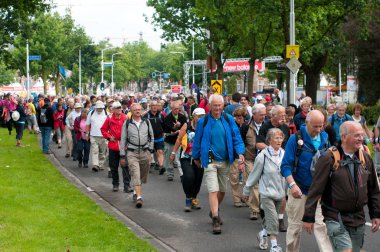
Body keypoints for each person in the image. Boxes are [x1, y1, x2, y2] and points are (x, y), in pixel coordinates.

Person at [303, 121, 380, 252]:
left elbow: (373, 189)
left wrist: (376, 214)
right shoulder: (328, 158)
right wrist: (309, 217)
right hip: (335, 216)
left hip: (358, 217)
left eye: (362, 135)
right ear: (344, 137)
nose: (361, 138)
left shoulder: (365, 158)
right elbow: (315, 189)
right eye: (356, 135)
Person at [192, 94, 245, 234]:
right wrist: (196, 156)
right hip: (209, 158)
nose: (217, 108)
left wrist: (240, 153)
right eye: (214, 105)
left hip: (225, 159)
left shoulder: (228, 120)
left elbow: (236, 137)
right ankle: (215, 218)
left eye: (219, 105)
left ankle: (213, 209)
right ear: (209, 106)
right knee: (213, 189)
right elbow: (197, 140)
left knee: (222, 190)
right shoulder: (203, 122)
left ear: (223, 106)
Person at [281, 110, 333, 252]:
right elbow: (285, 166)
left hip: (317, 192)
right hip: (299, 190)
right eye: (315, 126)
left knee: (321, 227)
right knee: (295, 228)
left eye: (321, 126)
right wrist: (292, 185)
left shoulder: (325, 138)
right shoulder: (295, 139)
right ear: (307, 123)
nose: (318, 130)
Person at [243, 128, 286, 252]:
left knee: (270, 220)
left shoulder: (284, 154)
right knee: (273, 219)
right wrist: (246, 191)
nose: (279, 140)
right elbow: (254, 175)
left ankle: (263, 233)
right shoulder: (263, 156)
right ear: (269, 140)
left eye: (280, 138)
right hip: (266, 194)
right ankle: (274, 246)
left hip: (280, 193)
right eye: (276, 138)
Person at [170, 108, 205, 212]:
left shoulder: (207, 127)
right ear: (193, 116)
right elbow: (179, 139)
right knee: (189, 176)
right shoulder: (187, 126)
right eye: (198, 116)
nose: (200, 118)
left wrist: (210, 160)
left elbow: (211, 144)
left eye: (203, 116)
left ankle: (194, 197)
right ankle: (188, 198)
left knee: (198, 179)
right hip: (187, 157)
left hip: (200, 158)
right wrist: (173, 153)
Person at [120, 103, 154, 208]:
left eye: (139, 109)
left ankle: (136, 190)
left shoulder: (146, 122)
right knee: (135, 173)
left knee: (142, 174)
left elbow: (151, 136)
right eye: (135, 110)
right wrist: (122, 155)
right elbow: (123, 140)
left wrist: (150, 149)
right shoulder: (127, 123)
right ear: (131, 111)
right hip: (132, 152)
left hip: (144, 152)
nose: (138, 111)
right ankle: (139, 197)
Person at [242, 103, 266, 220]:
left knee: (264, 184)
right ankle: (254, 209)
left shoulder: (267, 126)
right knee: (254, 183)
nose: (263, 117)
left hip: (265, 160)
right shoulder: (246, 126)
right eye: (261, 115)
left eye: (265, 115)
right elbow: (241, 142)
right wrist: (240, 157)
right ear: (254, 114)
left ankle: (263, 206)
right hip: (250, 159)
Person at [101, 101, 131, 192]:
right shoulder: (109, 119)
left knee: (125, 166)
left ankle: (127, 186)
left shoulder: (126, 117)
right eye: (117, 108)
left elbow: (131, 129)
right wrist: (109, 137)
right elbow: (103, 129)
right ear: (112, 109)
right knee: (113, 167)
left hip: (124, 145)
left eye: (120, 107)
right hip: (113, 145)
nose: (119, 109)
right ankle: (115, 184)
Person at [228, 107, 249, 208]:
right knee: (234, 177)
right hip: (234, 154)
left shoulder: (247, 126)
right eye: (237, 117)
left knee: (247, 178)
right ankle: (236, 198)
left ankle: (245, 197)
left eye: (241, 117)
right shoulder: (232, 126)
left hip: (247, 155)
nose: (239, 119)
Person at [163, 100, 187, 181]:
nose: (177, 111)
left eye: (178, 109)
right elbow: (167, 130)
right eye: (175, 109)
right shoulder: (167, 118)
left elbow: (186, 128)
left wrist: (181, 131)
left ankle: (182, 175)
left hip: (180, 141)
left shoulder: (182, 117)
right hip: (170, 140)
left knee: (179, 159)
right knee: (169, 158)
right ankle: (170, 174)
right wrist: (175, 128)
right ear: (171, 109)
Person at [144, 100, 165, 174]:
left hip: (159, 137)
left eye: (156, 105)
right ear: (150, 107)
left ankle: (161, 166)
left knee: (160, 151)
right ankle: (148, 167)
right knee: (149, 154)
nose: (155, 107)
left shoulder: (161, 115)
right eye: (153, 105)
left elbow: (164, 126)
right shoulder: (146, 116)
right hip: (150, 138)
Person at [86, 100, 108, 172]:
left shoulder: (105, 113)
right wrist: (87, 133)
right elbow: (88, 124)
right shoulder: (91, 113)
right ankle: (95, 165)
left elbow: (109, 125)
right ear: (95, 108)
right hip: (93, 135)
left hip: (103, 136)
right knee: (95, 150)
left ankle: (101, 164)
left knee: (102, 152)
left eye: (101, 108)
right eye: (98, 108)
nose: (100, 109)